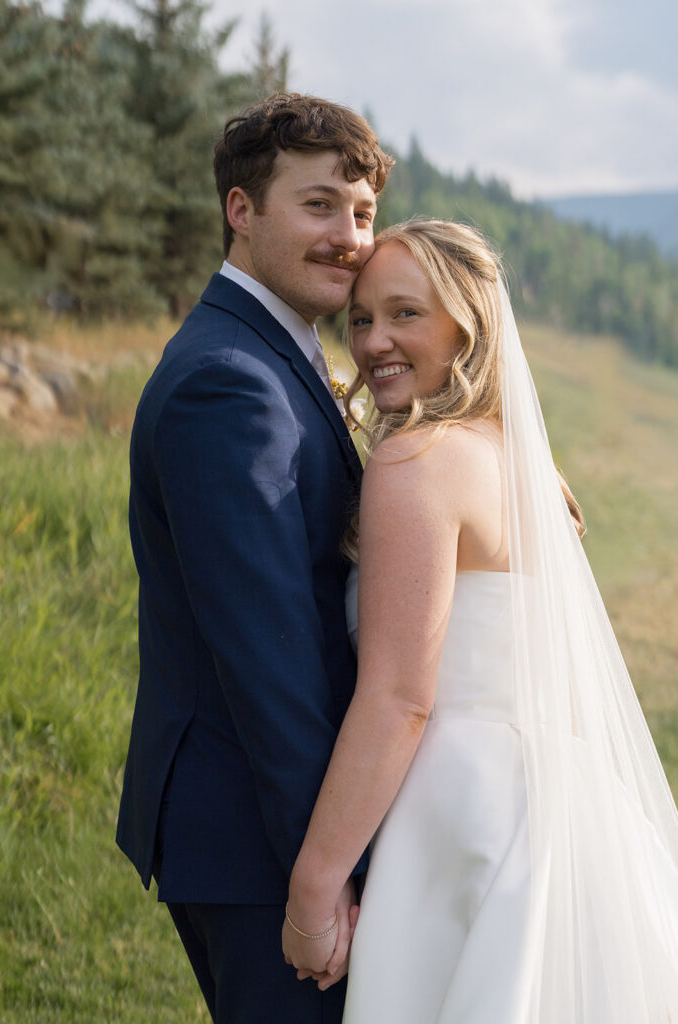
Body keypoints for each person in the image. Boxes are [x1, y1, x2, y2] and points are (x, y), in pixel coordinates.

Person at [282, 220, 678, 1021]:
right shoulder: (522, 467)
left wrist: (312, 891)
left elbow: (400, 699)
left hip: (460, 824)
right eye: (360, 318)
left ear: (468, 327)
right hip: (568, 813)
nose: (373, 341)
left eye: (405, 314)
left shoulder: (416, 463)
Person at [115, 92, 393, 1024]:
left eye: (361, 213)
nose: (348, 237)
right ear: (243, 210)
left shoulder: (283, 350)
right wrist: (330, 872)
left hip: (267, 822)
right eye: (318, 205)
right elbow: (270, 658)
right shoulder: (228, 385)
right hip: (258, 836)